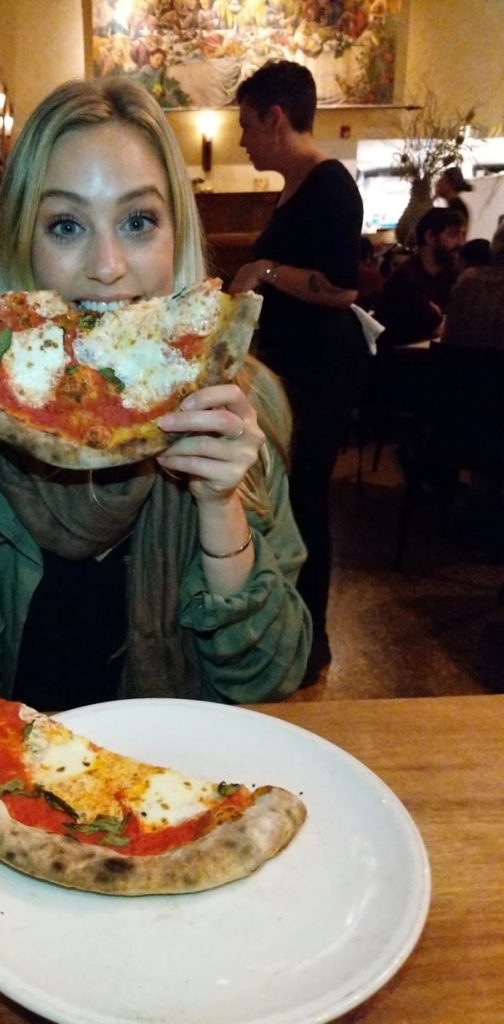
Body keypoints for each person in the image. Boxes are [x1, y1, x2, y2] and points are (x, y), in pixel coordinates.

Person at [0, 77, 311, 712]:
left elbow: (272, 675)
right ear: (23, 241)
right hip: (14, 789)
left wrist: (221, 507)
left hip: (177, 784)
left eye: (137, 221)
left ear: (175, 234)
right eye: (66, 224)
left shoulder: (241, 405)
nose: (106, 265)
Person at [229, 60, 366, 684]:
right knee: (291, 498)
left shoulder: (330, 184)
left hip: (319, 368)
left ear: (276, 117)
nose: (241, 139)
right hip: (293, 367)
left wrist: (262, 271)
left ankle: (313, 644)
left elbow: (341, 288)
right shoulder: (299, 185)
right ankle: (294, 632)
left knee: (308, 499)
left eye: (247, 124)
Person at [375, 206, 465, 351]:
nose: (461, 243)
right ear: (429, 237)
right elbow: (443, 330)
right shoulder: (406, 279)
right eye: (453, 235)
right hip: (400, 365)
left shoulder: (451, 276)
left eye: (462, 235)